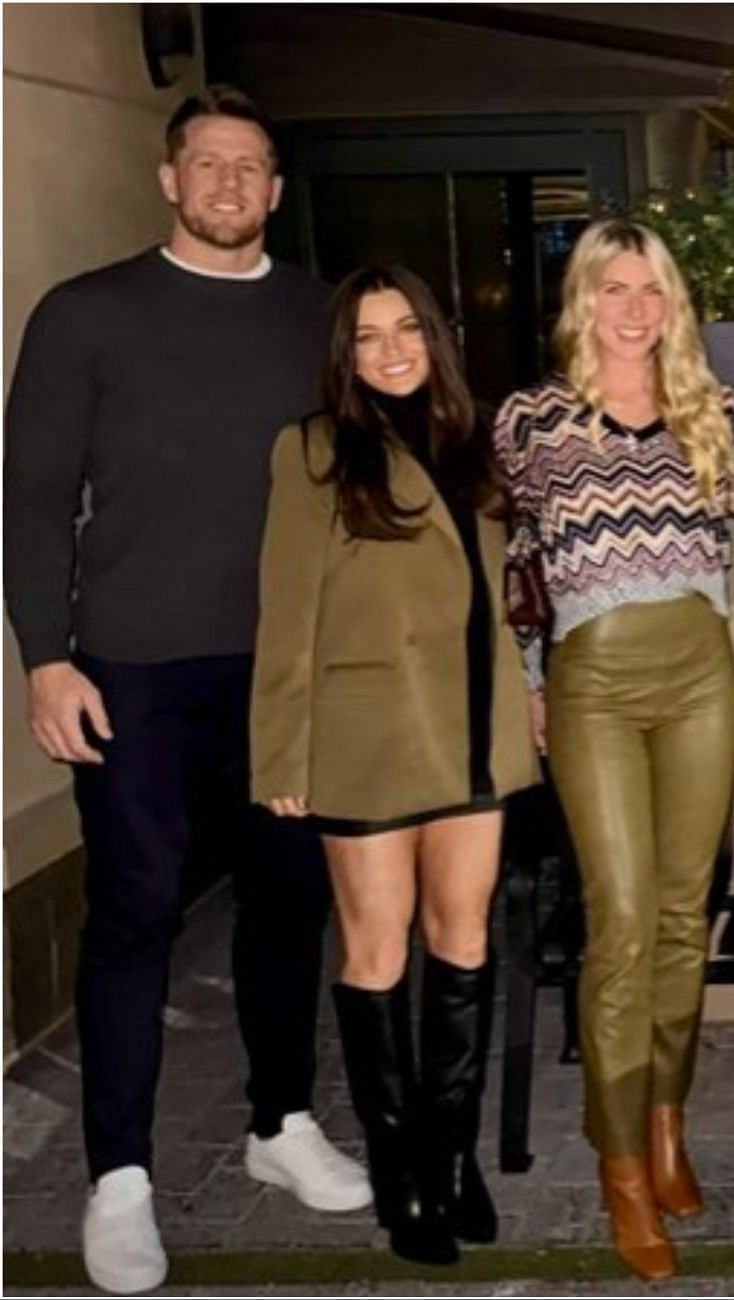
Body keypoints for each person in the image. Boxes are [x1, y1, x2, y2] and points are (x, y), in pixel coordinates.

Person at [2, 86, 369, 1295]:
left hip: (285, 671)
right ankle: (119, 1178)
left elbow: (373, 481)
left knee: (284, 906)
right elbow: (33, 496)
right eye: (205, 164)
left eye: (250, 167)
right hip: (132, 670)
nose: (227, 185)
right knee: (133, 914)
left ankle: (278, 1125)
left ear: (273, 187)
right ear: (171, 181)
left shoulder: (322, 317)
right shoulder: (86, 313)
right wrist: (44, 657)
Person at [493, 219, 734, 1281]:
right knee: (619, 921)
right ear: (584, 300)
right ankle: (620, 1168)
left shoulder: (718, 415)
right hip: (594, 683)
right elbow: (513, 563)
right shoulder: (532, 420)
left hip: (700, 672)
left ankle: (667, 1123)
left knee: (678, 914)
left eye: (650, 288)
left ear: (673, 303)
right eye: (613, 287)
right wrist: (528, 683)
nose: (633, 307)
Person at [252, 265, 539, 1265]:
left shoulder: (477, 441)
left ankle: (451, 1160)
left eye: (406, 328)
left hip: (474, 730)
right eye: (367, 335)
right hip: (366, 734)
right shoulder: (316, 449)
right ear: (345, 353)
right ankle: (398, 1169)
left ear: (436, 336)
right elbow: (286, 612)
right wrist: (282, 751)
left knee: (461, 936)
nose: (390, 349)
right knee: (377, 951)